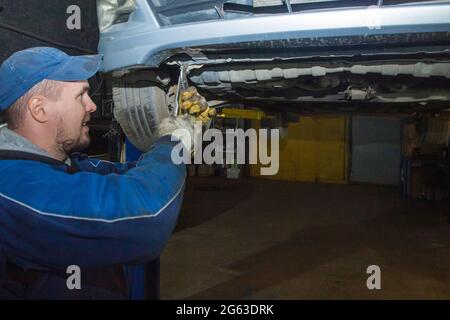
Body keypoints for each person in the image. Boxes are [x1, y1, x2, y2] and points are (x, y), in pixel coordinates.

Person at [0, 47, 194, 299]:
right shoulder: (13, 190)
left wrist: (175, 139)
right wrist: (174, 144)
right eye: (81, 95)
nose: (92, 105)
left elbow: (134, 175)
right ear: (40, 109)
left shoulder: (61, 165)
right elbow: (148, 212)